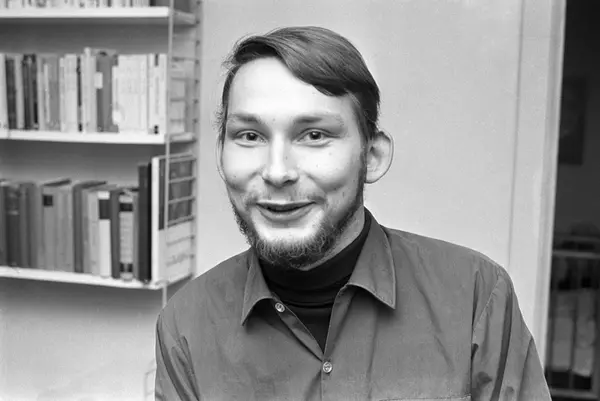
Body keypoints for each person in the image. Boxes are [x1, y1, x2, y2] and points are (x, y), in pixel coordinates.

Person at [155, 26, 551, 400]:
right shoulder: (185, 326)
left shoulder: (476, 295)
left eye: (314, 135)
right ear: (221, 156)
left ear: (372, 156)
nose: (277, 172)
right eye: (250, 136)